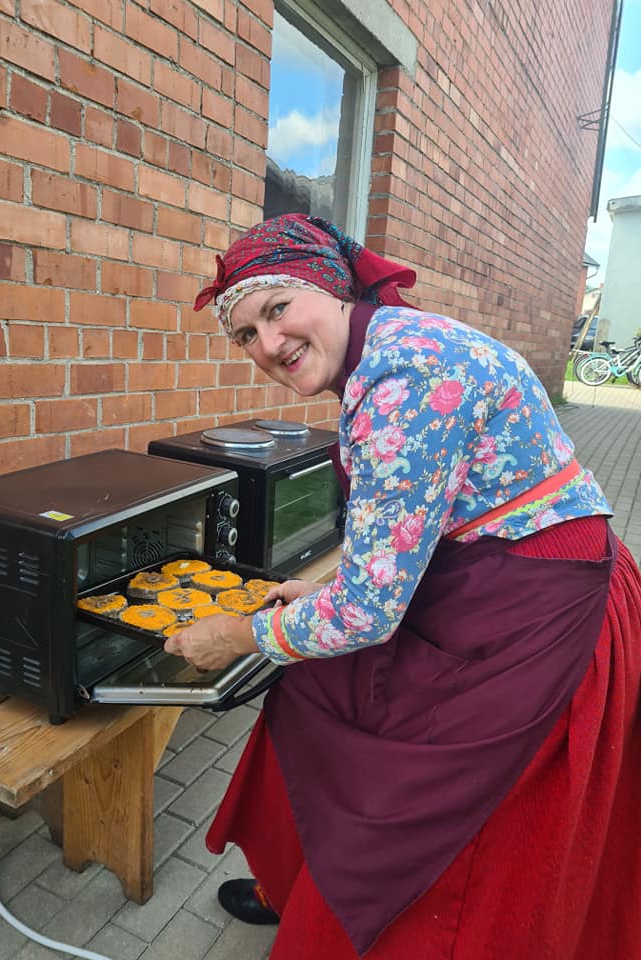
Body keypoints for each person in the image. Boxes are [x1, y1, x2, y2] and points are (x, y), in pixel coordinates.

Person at [164, 214, 641, 960]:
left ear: (331, 286)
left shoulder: (403, 379)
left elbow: (365, 613)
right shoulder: (388, 345)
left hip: (541, 612)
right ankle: (291, 878)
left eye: (278, 308)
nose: (268, 343)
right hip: (483, 575)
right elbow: (410, 526)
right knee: (313, 686)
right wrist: (317, 596)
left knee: (428, 806)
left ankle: (352, 918)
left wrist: (235, 636)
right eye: (246, 333)